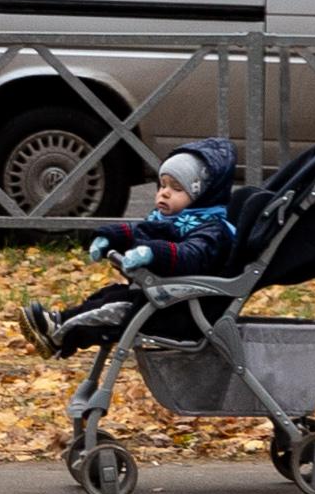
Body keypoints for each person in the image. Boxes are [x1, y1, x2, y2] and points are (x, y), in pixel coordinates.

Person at [16, 140, 242, 356]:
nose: (164, 192)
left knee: (114, 310)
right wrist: (109, 238)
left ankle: (60, 333)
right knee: (107, 295)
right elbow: (139, 230)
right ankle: (58, 322)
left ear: (200, 196)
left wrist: (153, 252)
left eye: (176, 188)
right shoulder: (171, 219)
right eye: (162, 185)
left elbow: (192, 254)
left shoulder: (211, 229)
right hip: (158, 295)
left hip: (181, 308)